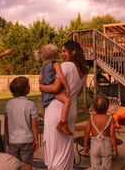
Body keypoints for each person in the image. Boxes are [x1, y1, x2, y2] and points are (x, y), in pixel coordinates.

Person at [39, 40, 87, 170]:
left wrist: (41, 86)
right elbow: (77, 94)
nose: (61, 54)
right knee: (65, 149)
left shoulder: (65, 66)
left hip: (56, 111)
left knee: (55, 150)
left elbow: (55, 88)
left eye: (64, 51)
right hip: (70, 111)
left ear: (74, 52)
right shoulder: (83, 72)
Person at [5, 76, 39, 170]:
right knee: (27, 163)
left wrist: (7, 138)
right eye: (29, 85)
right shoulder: (30, 104)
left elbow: (6, 124)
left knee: (13, 164)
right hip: (27, 140)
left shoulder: (9, 104)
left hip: (13, 140)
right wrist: (36, 140)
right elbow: (34, 125)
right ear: (26, 89)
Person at [40, 43, 72, 135]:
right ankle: (63, 122)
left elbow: (40, 79)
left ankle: (62, 123)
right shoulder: (55, 64)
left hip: (46, 92)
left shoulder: (43, 66)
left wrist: (42, 87)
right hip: (54, 92)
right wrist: (66, 86)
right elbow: (61, 76)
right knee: (67, 100)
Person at [84, 94, 118, 170]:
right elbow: (112, 136)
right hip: (106, 146)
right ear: (107, 107)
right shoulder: (110, 119)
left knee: (95, 167)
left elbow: (86, 134)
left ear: (94, 108)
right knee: (106, 167)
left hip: (94, 146)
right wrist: (115, 148)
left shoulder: (91, 118)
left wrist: (85, 146)